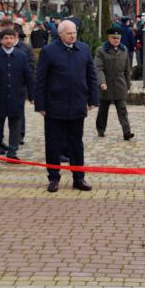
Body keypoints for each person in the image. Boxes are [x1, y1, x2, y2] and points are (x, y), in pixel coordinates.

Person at [34, 19, 99, 192]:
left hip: (77, 104)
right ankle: (54, 177)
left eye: (75, 33)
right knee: (53, 144)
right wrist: (40, 104)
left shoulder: (83, 49)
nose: (73, 36)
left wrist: (93, 99)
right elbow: (40, 79)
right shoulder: (49, 51)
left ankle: (79, 177)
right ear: (60, 34)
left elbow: (91, 75)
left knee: (76, 144)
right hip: (55, 105)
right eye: (69, 33)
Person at [0, 27, 33, 160]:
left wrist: (32, 95)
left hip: (17, 96)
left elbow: (28, 76)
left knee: (15, 125)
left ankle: (12, 150)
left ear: (16, 39)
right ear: (1, 40)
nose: (9, 41)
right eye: (6, 38)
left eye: (11, 38)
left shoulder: (21, 56)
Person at [94, 27, 134, 140]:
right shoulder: (101, 50)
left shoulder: (124, 50)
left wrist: (128, 84)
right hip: (106, 84)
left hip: (120, 84)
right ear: (109, 38)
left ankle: (127, 132)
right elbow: (98, 68)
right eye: (114, 38)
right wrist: (101, 82)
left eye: (118, 38)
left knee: (122, 110)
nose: (116, 40)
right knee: (103, 110)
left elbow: (127, 69)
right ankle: (101, 130)